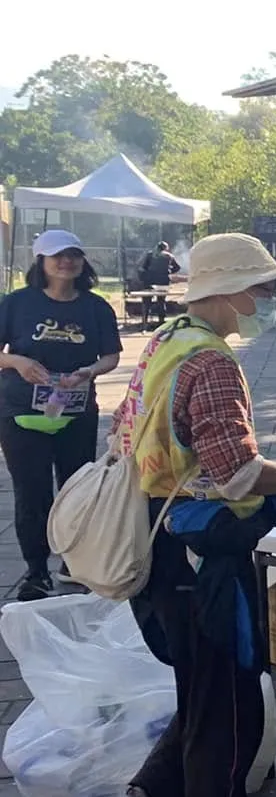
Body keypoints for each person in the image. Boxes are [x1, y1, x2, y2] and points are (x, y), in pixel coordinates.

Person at [114, 234, 276, 797]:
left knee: (201, 686)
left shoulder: (167, 341)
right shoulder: (212, 362)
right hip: (202, 553)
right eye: (264, 287)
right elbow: (238, 475)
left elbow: (123, 431)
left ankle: (154, 796)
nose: (270, 299)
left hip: (159, 533)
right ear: (232, 291)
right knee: (228, 702)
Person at [0, 230, 122, 599]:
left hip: (76, 411)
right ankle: (37, 571)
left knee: (77, 489)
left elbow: (110, 356)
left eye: (73, 255)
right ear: (41, 261)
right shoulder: (16, 304)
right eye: (58, 256)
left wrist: (89, 371)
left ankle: (74, 562)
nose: (66, 262)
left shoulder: (96, 307)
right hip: (21, 413)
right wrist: (17, 362)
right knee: (32, 492)